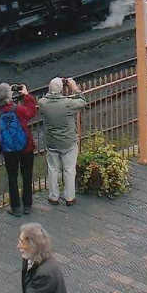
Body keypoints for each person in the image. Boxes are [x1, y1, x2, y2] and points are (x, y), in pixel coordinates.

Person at [38, 76, 87, 206]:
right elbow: (82, 101)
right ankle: (70, 197)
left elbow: (46, 99)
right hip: (68, 142)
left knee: (53, 169)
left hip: (51, 142)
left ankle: (53, 196)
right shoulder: (67, 103)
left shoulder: (43, 103)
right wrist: (74, 87)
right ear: (61, 89)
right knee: (69, 169)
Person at [0, 82, 38, 217]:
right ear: (9, 96)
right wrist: (26, 95)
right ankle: (27, 205)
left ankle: (15, 207)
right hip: (26, 147)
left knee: (12, 177)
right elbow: (32, 112)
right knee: (27, 175)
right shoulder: (18, 109)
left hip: (8, 149)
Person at [9, 223, 72, 293]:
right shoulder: (29, 257)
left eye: (21, 242)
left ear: (32, 245)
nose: (18, 246)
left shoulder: (45, 273)